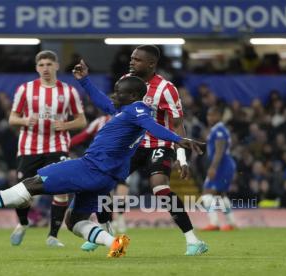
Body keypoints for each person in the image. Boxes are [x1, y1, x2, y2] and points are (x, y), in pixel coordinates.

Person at [0, 75, 206, 258]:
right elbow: (104, 102)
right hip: (105, 177)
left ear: (133, 94)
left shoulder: (137, 110)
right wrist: (85, 81)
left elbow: (154, 127)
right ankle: (113, 243)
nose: (114, 93)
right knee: (74, 221)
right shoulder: (127, 111)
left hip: (90, 168)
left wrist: (179, 140)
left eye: (119, 91)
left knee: (30, 184)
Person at [77, 45, 205, 256]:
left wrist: (182, 158)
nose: (131, 61)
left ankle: (193, 240)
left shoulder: (166, 88)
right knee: (102, 183)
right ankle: (106, 233)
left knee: (159, 188)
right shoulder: (126, 80)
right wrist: (85, 82)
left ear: (151, 64)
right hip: (134, 145)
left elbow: (177, 123)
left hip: (160, 144)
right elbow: (112, 106)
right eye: (132, 58)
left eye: (137, 59)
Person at [7, 50, 87, 247]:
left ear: (57, 66)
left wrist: (65, 125)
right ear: (36, 68)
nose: (45, 68)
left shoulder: (68, 91)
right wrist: (25, 120)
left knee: (61, 191)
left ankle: (52, 236)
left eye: (49, 64)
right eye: (41, 65)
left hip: (57, 146)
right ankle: (23, 223)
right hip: (29, 148)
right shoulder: (25, 89)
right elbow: (12, 118)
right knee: (21, 194)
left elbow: (82, 120)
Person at [200, 107, 237, 231]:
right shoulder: (218, 129)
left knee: (206, 193)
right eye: (208, 115)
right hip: (226, 164)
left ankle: (214, 223)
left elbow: (219, 151)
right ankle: (231, 223)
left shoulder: (219, 130)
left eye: (213, 115)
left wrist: (213, 167)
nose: (209, 118)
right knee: (221, 195)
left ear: (219, 116)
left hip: (222, 165)